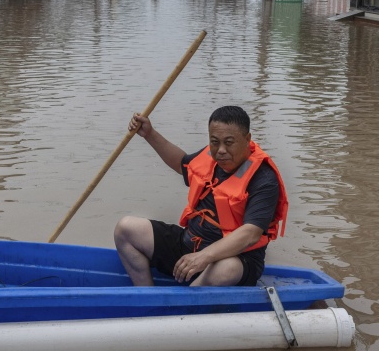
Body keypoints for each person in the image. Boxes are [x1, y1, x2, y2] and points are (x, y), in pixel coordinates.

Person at [113, 106, 287, 287]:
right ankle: (147, 297)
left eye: (229, 142)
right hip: (190, 246)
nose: (220, 150)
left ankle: (184, 308)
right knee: (126, 229)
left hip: (234, 259)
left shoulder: (264, 178)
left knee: (227, 268)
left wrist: (203, 257)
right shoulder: (211, 157)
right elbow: (182, 164)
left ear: (247, 139)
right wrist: (149, 134)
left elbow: (250, 234)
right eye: (214, 142)